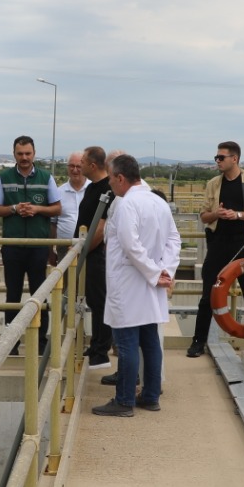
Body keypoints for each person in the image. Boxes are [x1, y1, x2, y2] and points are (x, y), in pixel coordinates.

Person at [92, 153, 180, 417]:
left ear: (120, 178)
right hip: (150, 283)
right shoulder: (158, 201)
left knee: (128, 343)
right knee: (150, 341)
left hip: (128, 283)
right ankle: (150, 396)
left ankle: (124, 400)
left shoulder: (126, 204)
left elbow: (130, 245)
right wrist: (165, 270)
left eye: (110, 178)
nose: (109, 184)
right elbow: (174, 240)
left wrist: (155, 273)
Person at [188, 140, 244, 360]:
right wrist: (217, 214)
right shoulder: (213, 184)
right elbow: (204, 216)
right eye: (216, 157)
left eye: (221, 157)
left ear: (235, 159)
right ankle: (198, 341)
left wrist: (238, 215)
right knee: (208, 295)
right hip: (218, 244)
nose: (217, 161)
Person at [0, 135, 61, 352]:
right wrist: (14, 209)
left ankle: (40, 342)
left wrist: (37, 209)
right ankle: (10, 343)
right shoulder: (4, 177)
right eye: (20, 154)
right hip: (12, 246)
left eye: (28, 153)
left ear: (34, 154)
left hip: (38, 246)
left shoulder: (46, 177)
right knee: (13, 295)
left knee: (39, 295)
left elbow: (57, 208)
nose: (24, 157)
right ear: (14, 154)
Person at [74, 146, 114, 369]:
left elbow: (101, 228)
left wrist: (83, 251)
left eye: (82, 161)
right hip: (87, 253)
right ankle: (96, 343)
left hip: (96, 255)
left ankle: (101, 350)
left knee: (100, 302)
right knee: (93, 301)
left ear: (92, 165)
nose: (79, 165)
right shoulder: (92, 188)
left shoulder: (108, 188)